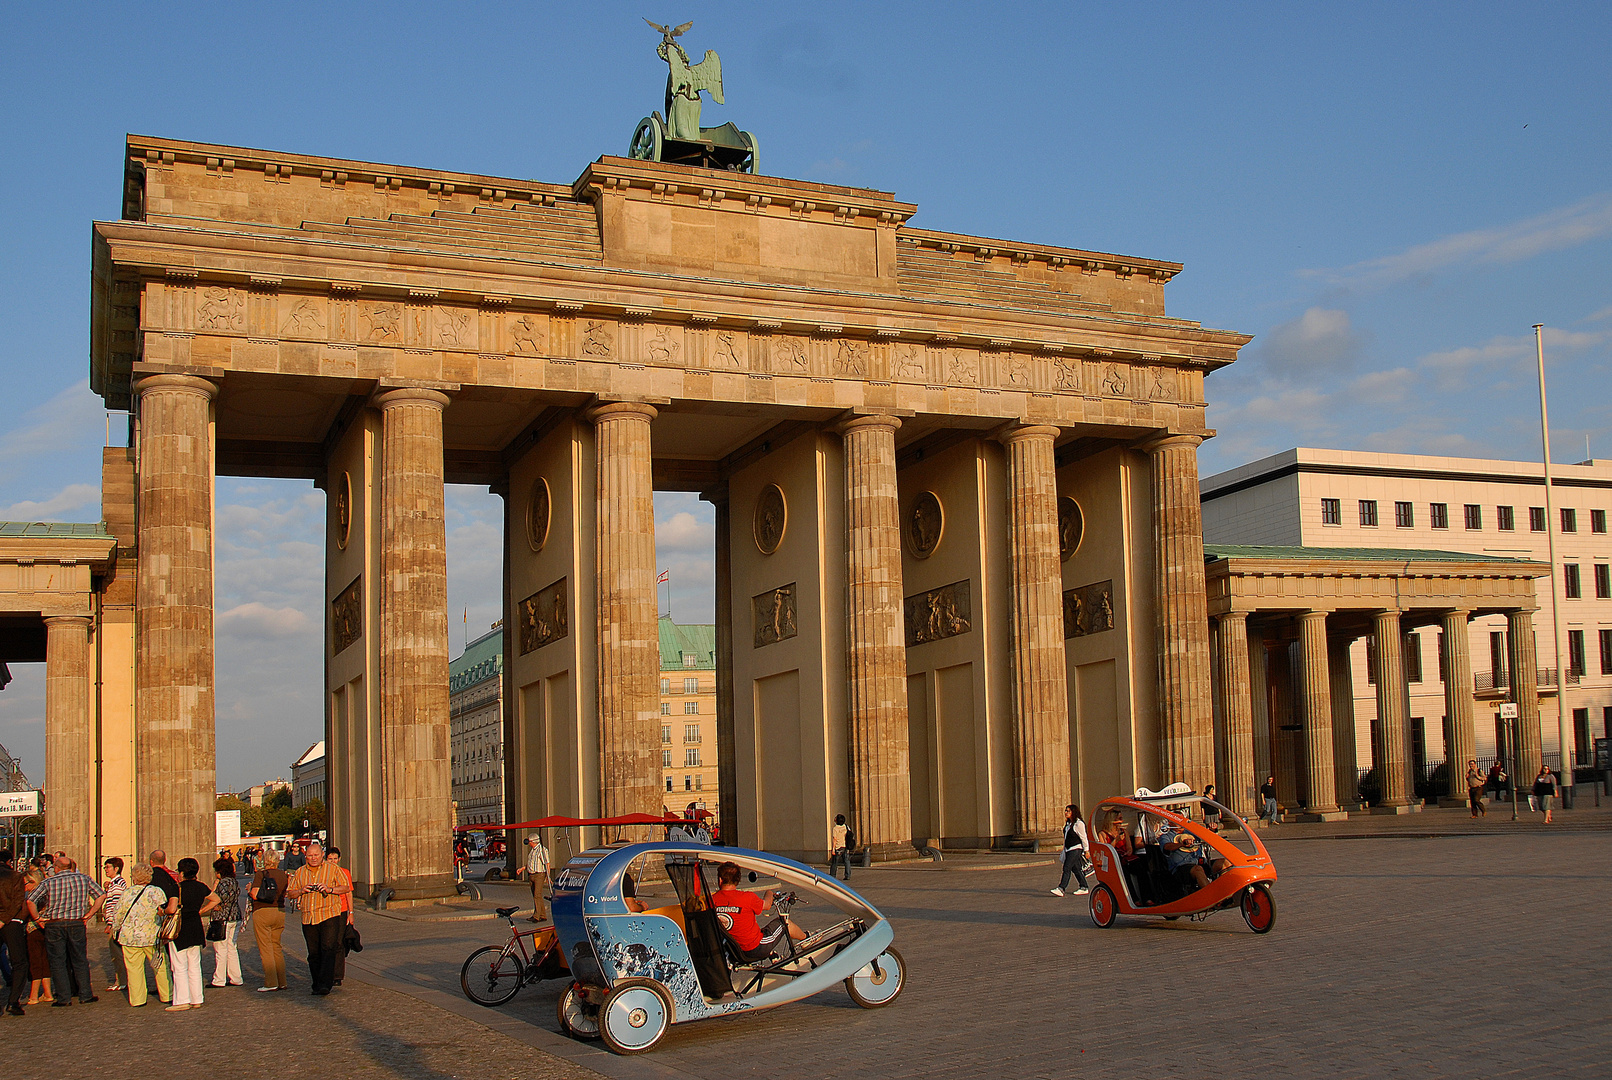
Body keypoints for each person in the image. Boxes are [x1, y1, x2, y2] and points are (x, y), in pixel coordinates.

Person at [26, 852, 104, 1007]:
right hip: (76, 922)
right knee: (80, 959)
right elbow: (101, 895)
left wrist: (37, 918)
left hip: (55, 923)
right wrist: (90, 914)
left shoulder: (49, 882)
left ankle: (63, 997)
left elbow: (30, 900)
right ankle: (85, 994)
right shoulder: (84, 878)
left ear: (57, 868)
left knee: (57, 961)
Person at [285, 841, 350, 996]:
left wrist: (330, 889)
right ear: (305, 856)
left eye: (316, 855)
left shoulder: (333, 869)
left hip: (328, 913)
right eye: (310, 855)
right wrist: (301, 891)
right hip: (309, 916)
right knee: (313, 953)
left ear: (322, 855)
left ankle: (325, 985)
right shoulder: (300, 872)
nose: (313, 858)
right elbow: (290, 893)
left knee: (328, 948)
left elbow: (345, 887)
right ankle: (316, 982)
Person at [711, 861, 806, 962]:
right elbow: (767, 905)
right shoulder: (747, 897)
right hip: (754, 949)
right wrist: (769, 892)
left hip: (732, 951)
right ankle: (806, 939)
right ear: (737, 881)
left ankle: (772, 954)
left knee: (757, 930)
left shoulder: (710, 900)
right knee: (783, 922)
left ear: (720, 880)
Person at [110, 864, 172, 1007]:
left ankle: (138, 999)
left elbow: (118, 914)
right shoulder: (156, 892)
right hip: (152, 936)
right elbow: (163, 912)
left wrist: (116, 930)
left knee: (134, 969)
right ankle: (167, 994)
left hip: (130, 937)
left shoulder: (127, 893)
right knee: (160, 966)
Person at [163, 857, 218, 1011]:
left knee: (179, 965)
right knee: (194, 964)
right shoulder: (201, 886)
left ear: (181, 872)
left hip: (180, 929)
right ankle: (197, 998)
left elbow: (172, 909)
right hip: (195, 926)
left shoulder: (177, 888)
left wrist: (163, 910)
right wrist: (201, 911)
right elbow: (215, 899)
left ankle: (182, 1000)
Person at [248, 848, 288, 992]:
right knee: (276, 946)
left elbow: (254, 894)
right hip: (279, 910)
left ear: (265, 860)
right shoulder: (283, 875)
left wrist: (249, 889)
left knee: (265, 948)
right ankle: (282, 980)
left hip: (263, 910)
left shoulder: (261, 874)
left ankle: (271, 982)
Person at [0, 850, 31, 1016]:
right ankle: (13, 1001)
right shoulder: (15, 876)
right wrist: (4, 919)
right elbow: (17, 902)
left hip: (5, 920)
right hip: (11, 922)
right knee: (19, 963)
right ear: (9, 862)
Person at [206, 856, 244, 988]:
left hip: (222, 917)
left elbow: (217, 899)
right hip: (235, 915)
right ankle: (236, 977)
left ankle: (219, 979)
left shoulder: (222, 883)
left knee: (220, 949)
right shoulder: (234, 881)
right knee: (231, 947)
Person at [21, 868, 51, 1004]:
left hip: (33, 930)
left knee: (35, 962)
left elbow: (26, 913)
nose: (24, 887)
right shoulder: (46, 894)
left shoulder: (32, 897)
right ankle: (48, 992)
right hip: (47, 930)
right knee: (45, 961)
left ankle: (33, 995)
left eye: (26, 883)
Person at [326, 847, 354, 986]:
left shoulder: (344, 873)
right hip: (327, 910)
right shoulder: (323, 873)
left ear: (339, 859)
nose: (333, 861)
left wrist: (351, 912)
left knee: (339, 942)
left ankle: (337, 975)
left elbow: (349, 893)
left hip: (342, 910)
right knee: (328, 941)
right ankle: (327, 972)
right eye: (330, 859)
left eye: (335, 859)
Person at [100, 858, 129, 992]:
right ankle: (120, 979)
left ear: (116, 868)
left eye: (108, 867)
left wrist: (111, 923)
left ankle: (122, 981)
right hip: (115, 923)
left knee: (117, 954)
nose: (106, 869)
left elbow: (116, 906)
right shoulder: (114, 884)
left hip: (116, 924)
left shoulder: (117, 885)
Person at [1050, 804, 1089, 897]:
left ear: (1073, 812)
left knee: (1067, 867)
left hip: (1076, 848)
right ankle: (1084, 886)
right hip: (1069, 849)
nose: (1066, 813)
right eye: (1066, 811)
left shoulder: (1079, 824)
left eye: (1068, 811)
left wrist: (1087, 850)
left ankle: (1061, 888)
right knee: (1076, 869)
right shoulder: (1068, 824)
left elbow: (1084, 837)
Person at [524, 835, 551, 922]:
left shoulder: (542, 850)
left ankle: (536, 916)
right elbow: (531, 863)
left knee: (537, 895)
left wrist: (548, 876)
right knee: (536, 896)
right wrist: (523, 868)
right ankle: (543, 915)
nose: (529, 844)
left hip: (539, 875)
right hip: (531, 874)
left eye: (530, 842)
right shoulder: (532, 851)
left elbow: (547, 864)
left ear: (533, 842)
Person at [828, 814, 852, 881]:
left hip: (838, 847)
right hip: (845, 846)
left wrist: (833, 849)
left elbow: (835, 839)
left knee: (835, 862)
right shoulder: (845, 826)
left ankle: (832, 875)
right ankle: (848, 875)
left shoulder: (835, 828)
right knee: (847, 861)